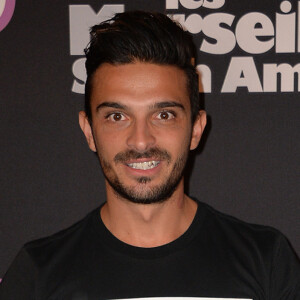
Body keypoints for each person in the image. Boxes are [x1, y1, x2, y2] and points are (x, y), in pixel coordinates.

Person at [0, 10, 299, 300]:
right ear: (89, 131)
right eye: (117, 117)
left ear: (196, 129)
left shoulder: (266, 262)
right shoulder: (37, 274)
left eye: (164, 115)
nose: (141, 141)